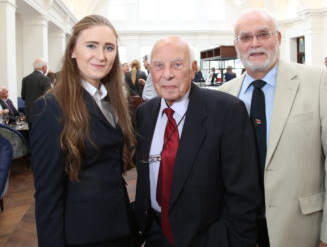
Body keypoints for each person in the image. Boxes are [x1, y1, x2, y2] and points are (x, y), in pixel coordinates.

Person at [220, 8, 327, 247]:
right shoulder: (224, 95)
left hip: (302, 228)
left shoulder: (317, 82)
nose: (255, 44)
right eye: (246, 37)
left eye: (263, 34)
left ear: (278, 38)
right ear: (236, 44)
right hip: (239, 229)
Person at [134, 36, 260, 247]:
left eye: (177, 65)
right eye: (158, 65)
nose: (167, 74)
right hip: (155, 234)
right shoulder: (144, 114)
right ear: (149, 69)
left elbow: (243, 194)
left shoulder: (227, 111)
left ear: (193, 69)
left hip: (208, 237)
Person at [30, 15, 138, 247]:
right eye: (91, 46)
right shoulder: (50, 108)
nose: (101, 56)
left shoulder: (113, 100)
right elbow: (48, 194)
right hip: (84, 234)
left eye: (109, 48)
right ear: (73, 51)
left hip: (121, 226)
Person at [21, 57, 51, 128]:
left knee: (31, 136)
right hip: (42, 114)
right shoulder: (45, 79)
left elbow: (23, 97)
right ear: (44, 67)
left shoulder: (25, 79)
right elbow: (47, 97)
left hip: (29, 115)